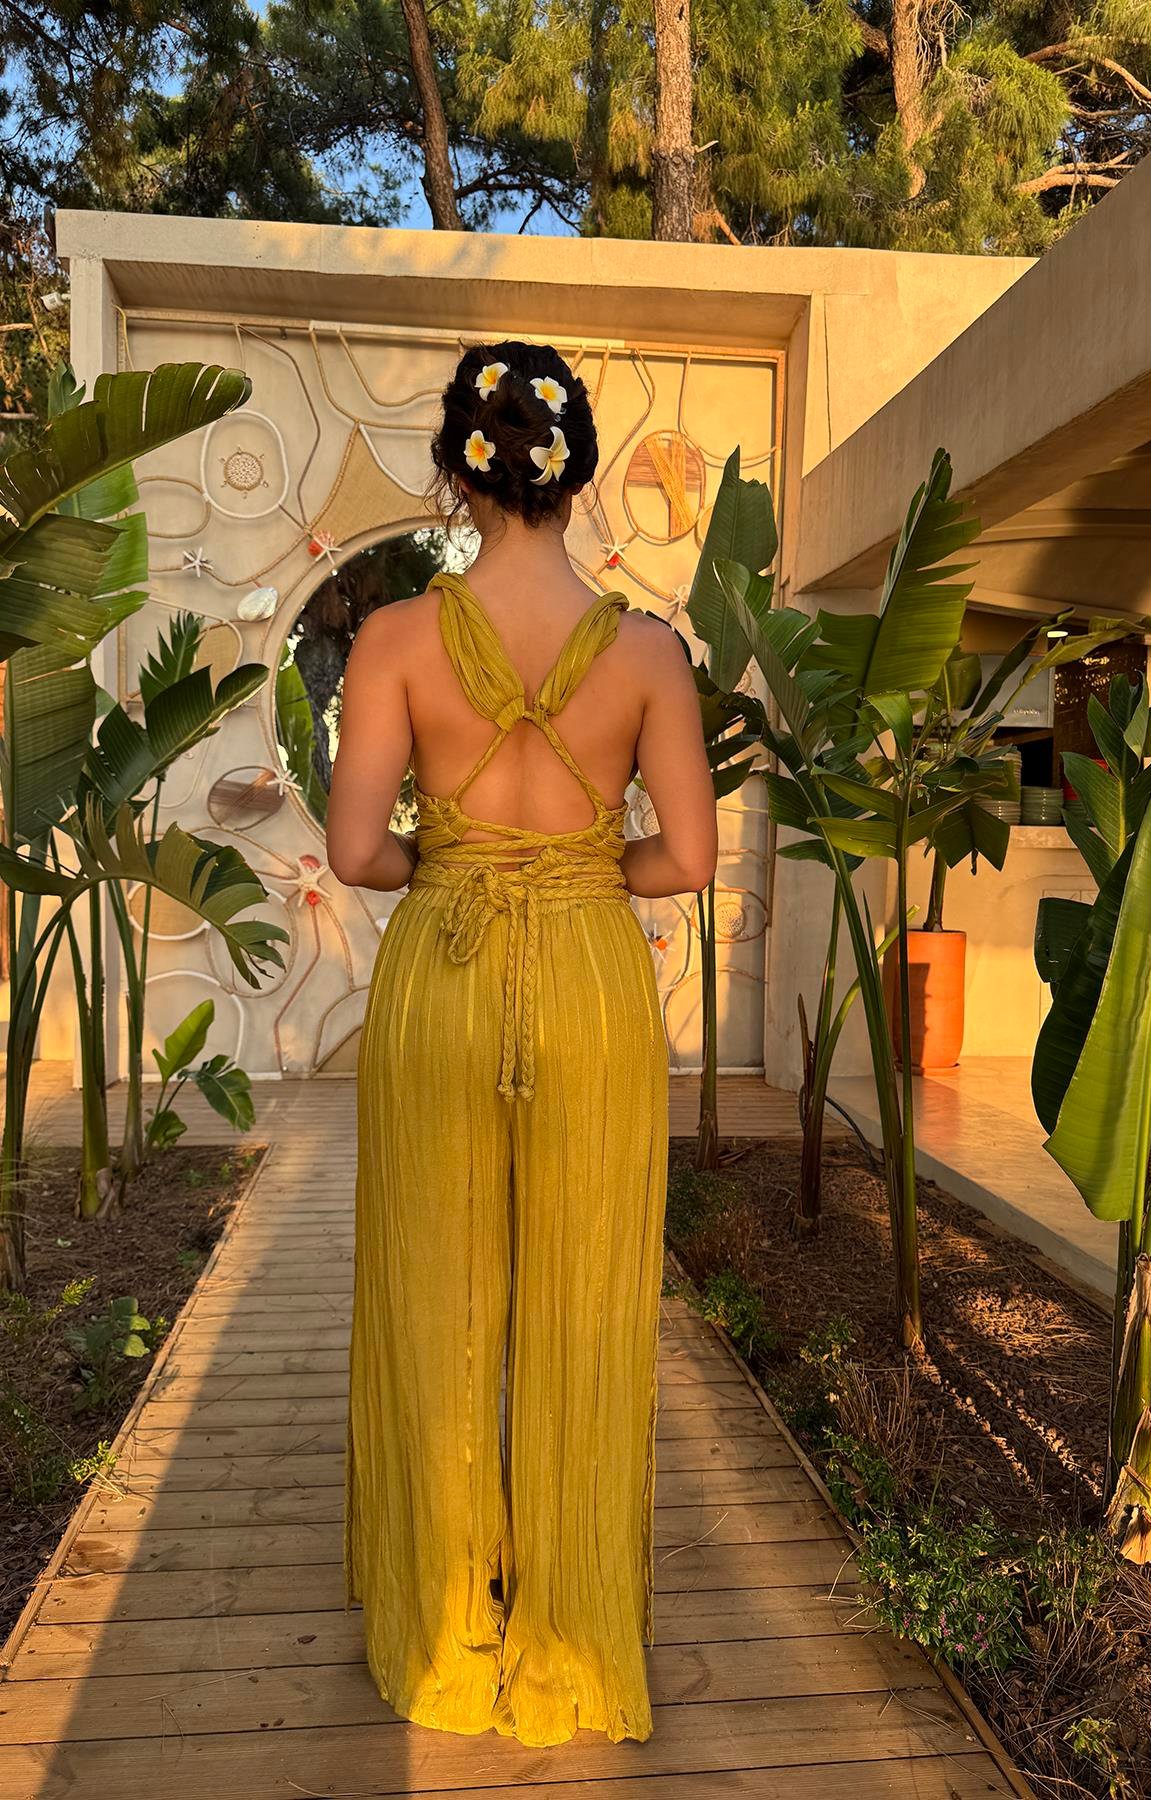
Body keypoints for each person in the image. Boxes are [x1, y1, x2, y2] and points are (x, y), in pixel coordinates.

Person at [326, 339, 718, 1748]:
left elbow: (356, 850)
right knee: (585, 1306)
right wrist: (576, 872)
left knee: (438, 1300)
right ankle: (568, 1636)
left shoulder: (392, 642)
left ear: (458, 470)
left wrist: (458, 863)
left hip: (442, 972)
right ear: (577, 472)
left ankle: (447, 1632)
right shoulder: (650, 654)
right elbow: (689, 857)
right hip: (593, 984)